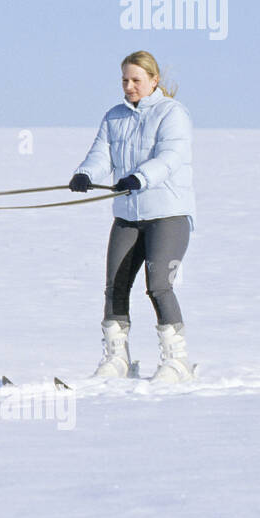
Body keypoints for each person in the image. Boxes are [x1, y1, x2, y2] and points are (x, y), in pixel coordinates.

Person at [68, 51, 196, 382]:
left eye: (136, 80)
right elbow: (101, 153)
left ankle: (177, 362)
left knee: (158, 286)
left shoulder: (172, 114)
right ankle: (117, 359)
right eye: (124, 80)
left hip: (167, 214)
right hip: (127, 216)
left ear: (154, 81)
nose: (129, 87)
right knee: (115, 286)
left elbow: (171, 157)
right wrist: (85, 173)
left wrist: (140, 177)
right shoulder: (114, 117)